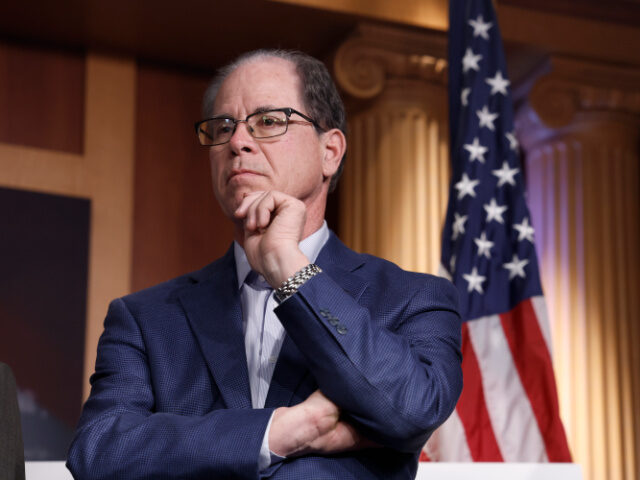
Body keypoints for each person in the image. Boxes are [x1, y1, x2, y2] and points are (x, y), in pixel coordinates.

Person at [67, 49, 462, 479]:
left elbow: (413, 410)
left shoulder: (413, 297)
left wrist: (290, 271)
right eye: (222, 127)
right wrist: (280, 431)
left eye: (269, 121)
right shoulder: (144, 318)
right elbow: (99, 451)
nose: (236, 142)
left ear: (330, 151)